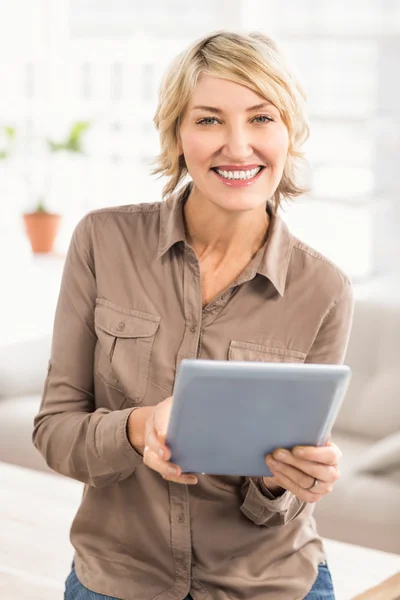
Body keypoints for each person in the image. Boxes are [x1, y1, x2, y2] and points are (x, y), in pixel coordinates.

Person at [33, 30, 354, 600]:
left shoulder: (323, 289)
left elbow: (277, 506)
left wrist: (291, 482)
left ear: (290, 134)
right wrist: (137, 428)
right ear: (177, 134)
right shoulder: (102, 242)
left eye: (261, 118)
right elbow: (55, 432)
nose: (237, 146)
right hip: (119, 581)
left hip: (270, 584)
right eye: (208, 120)